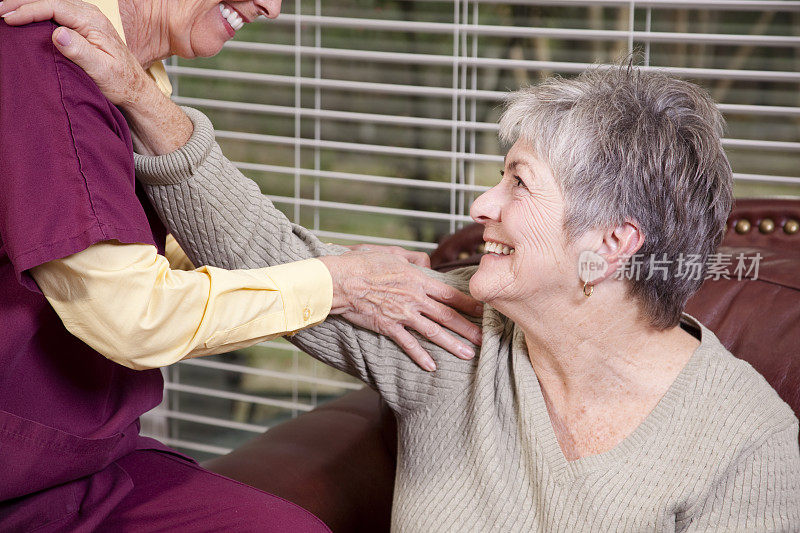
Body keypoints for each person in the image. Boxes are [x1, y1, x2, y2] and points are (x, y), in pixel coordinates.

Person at [17, 4, 800, 530]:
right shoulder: (454, 336)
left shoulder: (748, 448)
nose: (480, 203)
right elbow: (267, 251)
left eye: (518, 182)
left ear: (613, 245)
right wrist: (139, 96)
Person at [0, 0, 483, 529]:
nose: (271, 7)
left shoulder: (126, 73)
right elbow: (132, 317)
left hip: (82, 467)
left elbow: (145, 247)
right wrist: (336, 283)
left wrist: (339, 269)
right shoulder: (52, 59)